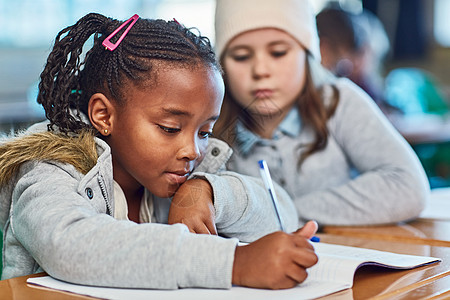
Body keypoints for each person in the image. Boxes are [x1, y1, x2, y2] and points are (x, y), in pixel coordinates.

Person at [0, 13, 319, 290]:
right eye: (169, 128)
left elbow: (282, 214)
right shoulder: (51, 169)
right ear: (104, 115)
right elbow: (68, 245)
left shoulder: (184, 171)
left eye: (205, 131)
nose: (193, 150)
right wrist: (234, 263)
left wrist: (207, 190)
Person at [213, 0, 429, 226]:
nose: (260, 70)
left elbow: (409, 186)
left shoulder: (339, 102)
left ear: (309, 55)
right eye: (241, 56)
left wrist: (287, 212)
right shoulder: (211, 127)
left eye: (278, 53)